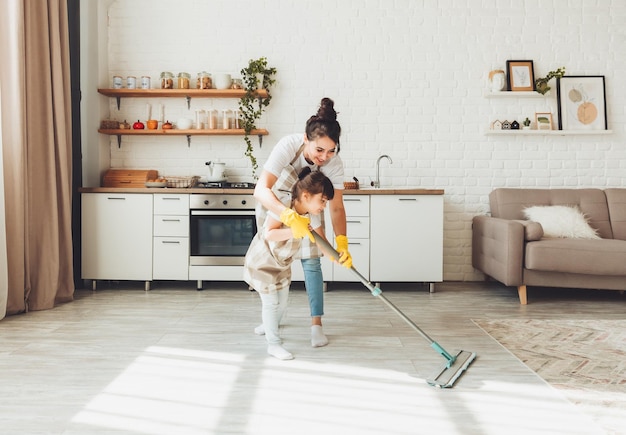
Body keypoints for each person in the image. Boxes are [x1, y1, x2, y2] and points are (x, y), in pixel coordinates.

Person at [253, 97, 352, 348]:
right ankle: (272, 319)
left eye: (332, 151)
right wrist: (287, 216)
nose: (325, 157)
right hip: (277, 203)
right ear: (306, 140)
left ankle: (316, 325)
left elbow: (337, 206)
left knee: (312, 263)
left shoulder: (334, 165)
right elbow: (261, 189)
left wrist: (340, 242)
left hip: (310, 206)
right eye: (319, 150)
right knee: (275, 260)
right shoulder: (289, 145)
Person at [244, 169, 336, 360]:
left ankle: (268, 325)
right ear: (306, 195)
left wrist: (337, 255)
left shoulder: (312, 215)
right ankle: (273, 344)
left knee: (283, 303)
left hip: (281, 264)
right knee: (271, 303)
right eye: (323, 200)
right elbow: (269, 233)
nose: (324, 206)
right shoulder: (284, 207)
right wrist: (294, 231)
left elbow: (322, 242)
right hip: (263, 262)